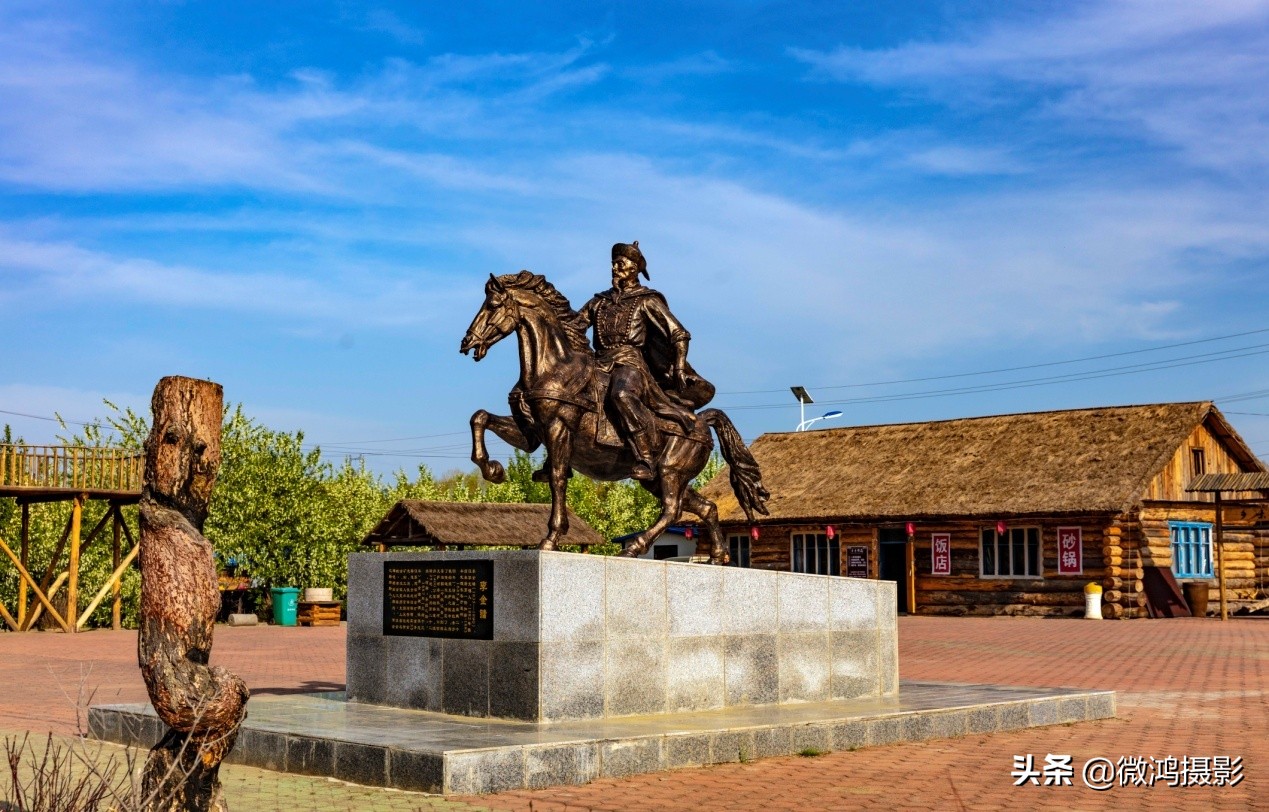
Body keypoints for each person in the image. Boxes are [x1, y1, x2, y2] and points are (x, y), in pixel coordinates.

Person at [575, 242, 713, 480]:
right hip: (598, 364)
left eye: (621, 263)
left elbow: (679, 333)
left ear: (635, 267)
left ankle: (646, 457)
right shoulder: (599, 301)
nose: (614, 267)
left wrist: (679, 364)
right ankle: (557, 457)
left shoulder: (646, 300)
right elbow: (574, 326)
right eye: (613, 263)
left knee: (621, 395)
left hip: (630, 365)